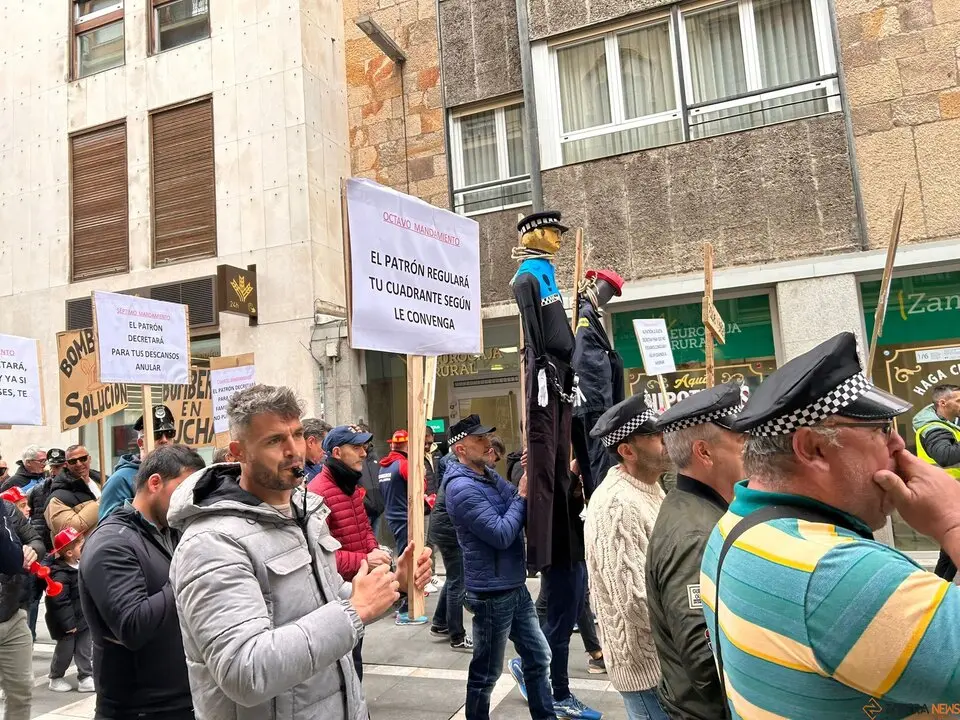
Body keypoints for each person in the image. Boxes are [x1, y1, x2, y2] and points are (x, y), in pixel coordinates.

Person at [700, 331, 960, 716]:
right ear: (813, 448)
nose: (898, 447)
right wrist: (952, 521)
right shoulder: (838, 573)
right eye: (882, 429)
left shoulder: (732, 525)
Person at [169, 384, 432, 719]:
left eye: (295, 434)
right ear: (239, 451)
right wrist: (355, 611)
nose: (293, 449)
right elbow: (244, 672)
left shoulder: (304, 513)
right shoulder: (211, 542)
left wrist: (396, 584)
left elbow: (329, 598)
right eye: (275, 440)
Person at [79, 444, 205, 720]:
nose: (189, 499)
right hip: (140, 709)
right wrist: (192, 574)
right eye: (183, 489)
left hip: (184, 699)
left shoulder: (171, 532)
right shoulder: (112, 543)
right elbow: (132, 625)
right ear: (155, 483)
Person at [444, 414, 556, 720]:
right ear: (460, 449)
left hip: (513, 585)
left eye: (486, 437)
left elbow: (514, 508)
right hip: (492, 594)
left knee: (538, 656)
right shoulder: (461, 488)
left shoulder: (488, 476)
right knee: (486, 672)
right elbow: (503, 533)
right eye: (478, 439)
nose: (487, 443)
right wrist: (520, 495)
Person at [646, 382, 746, 720]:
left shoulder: (699, 509)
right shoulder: (696, 533)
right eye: (741, 441)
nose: (750, 449)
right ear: (704, 452)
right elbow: (706, 661)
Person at [585, 394, 668, 720]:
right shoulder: (618, 504)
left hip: (664, 663)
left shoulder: (648, 486)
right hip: (646, 670)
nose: (666, 440)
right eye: (655, 435)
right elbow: (635, 602)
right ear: (628, 450)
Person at [306, 424, 390, 680]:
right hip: (336, 595)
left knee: (356, 659)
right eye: (356, 448)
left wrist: (375, 551)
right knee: (345, 666)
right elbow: (321, 558)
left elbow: (364, 528)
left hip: (356, 585)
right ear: (337, 453)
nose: (364, 453)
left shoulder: (350, 486)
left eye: (364, 447)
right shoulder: (318, 492)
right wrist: (366, 560)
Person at [571, 269, 626, 498]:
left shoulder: (587, 314)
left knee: (596, 462)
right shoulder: (585, 315)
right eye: (608, 290)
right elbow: (585, 360)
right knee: (601, 464)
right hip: (594, 402)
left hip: (591, 401)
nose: (607, 297)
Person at [0, 490, 44, 719]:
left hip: (12, 616)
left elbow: (36, 539)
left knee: (21, 691)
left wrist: (33, 550)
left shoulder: (7, 509)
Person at [379, 429, 431, 624]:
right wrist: (422, 474)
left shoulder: (385, 466)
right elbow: (420, 487)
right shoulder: (403, 465)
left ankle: (402, 602)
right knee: (409, 561)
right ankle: (405, 608)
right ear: (407, 446)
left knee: (403, 558)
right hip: (405, 518)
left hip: (393, 517)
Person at [428, 437, 472, 652]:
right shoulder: (459, 469)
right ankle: (458, 635)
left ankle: (440, 622)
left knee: (454, 578)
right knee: (458, 581)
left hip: (444, 529)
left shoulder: (452, 464)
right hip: (450, 532)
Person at [912, 384, 960, 581]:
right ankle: (939, 588)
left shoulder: (947, 423)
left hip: (951, 493)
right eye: (958, 400)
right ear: (943, 402)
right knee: (951, 547)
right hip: (946, 494)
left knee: (949, 549)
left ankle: (939, 587)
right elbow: (946, 456)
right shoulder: (933, 428)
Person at [99, 406, 176, 520]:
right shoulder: (121, 480)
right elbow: (108, 530)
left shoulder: (176, 473)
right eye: (157, 435)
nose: (164, 440)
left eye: (169, 433)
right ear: (140, 443)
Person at [43, 527, 93, 693]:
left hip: (84, 619)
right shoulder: (60, 574)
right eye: (80, 547)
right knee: (65, 652)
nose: (84, 548)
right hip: (67, 624)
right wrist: (68, 624)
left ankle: (85, 677)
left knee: (84, 649)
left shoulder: (80, 566)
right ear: (70, 553)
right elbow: (59, 602)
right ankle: (55, 677)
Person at [44, 445, 101, 539]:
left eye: (83, 459)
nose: (78, 464)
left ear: (89, 459)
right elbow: (68, 530)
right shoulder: (57, 498)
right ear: (66, 464)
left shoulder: (103, 480)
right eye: (73, 461)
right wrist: (99, 504)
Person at [358, 435, 384, 537]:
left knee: (374, 543)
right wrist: (364, 502)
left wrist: (382, 503)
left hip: (377, 510)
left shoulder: (375, 457)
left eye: (367, 441)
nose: (365, 443)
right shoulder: (355, 458)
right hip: (364, 510)